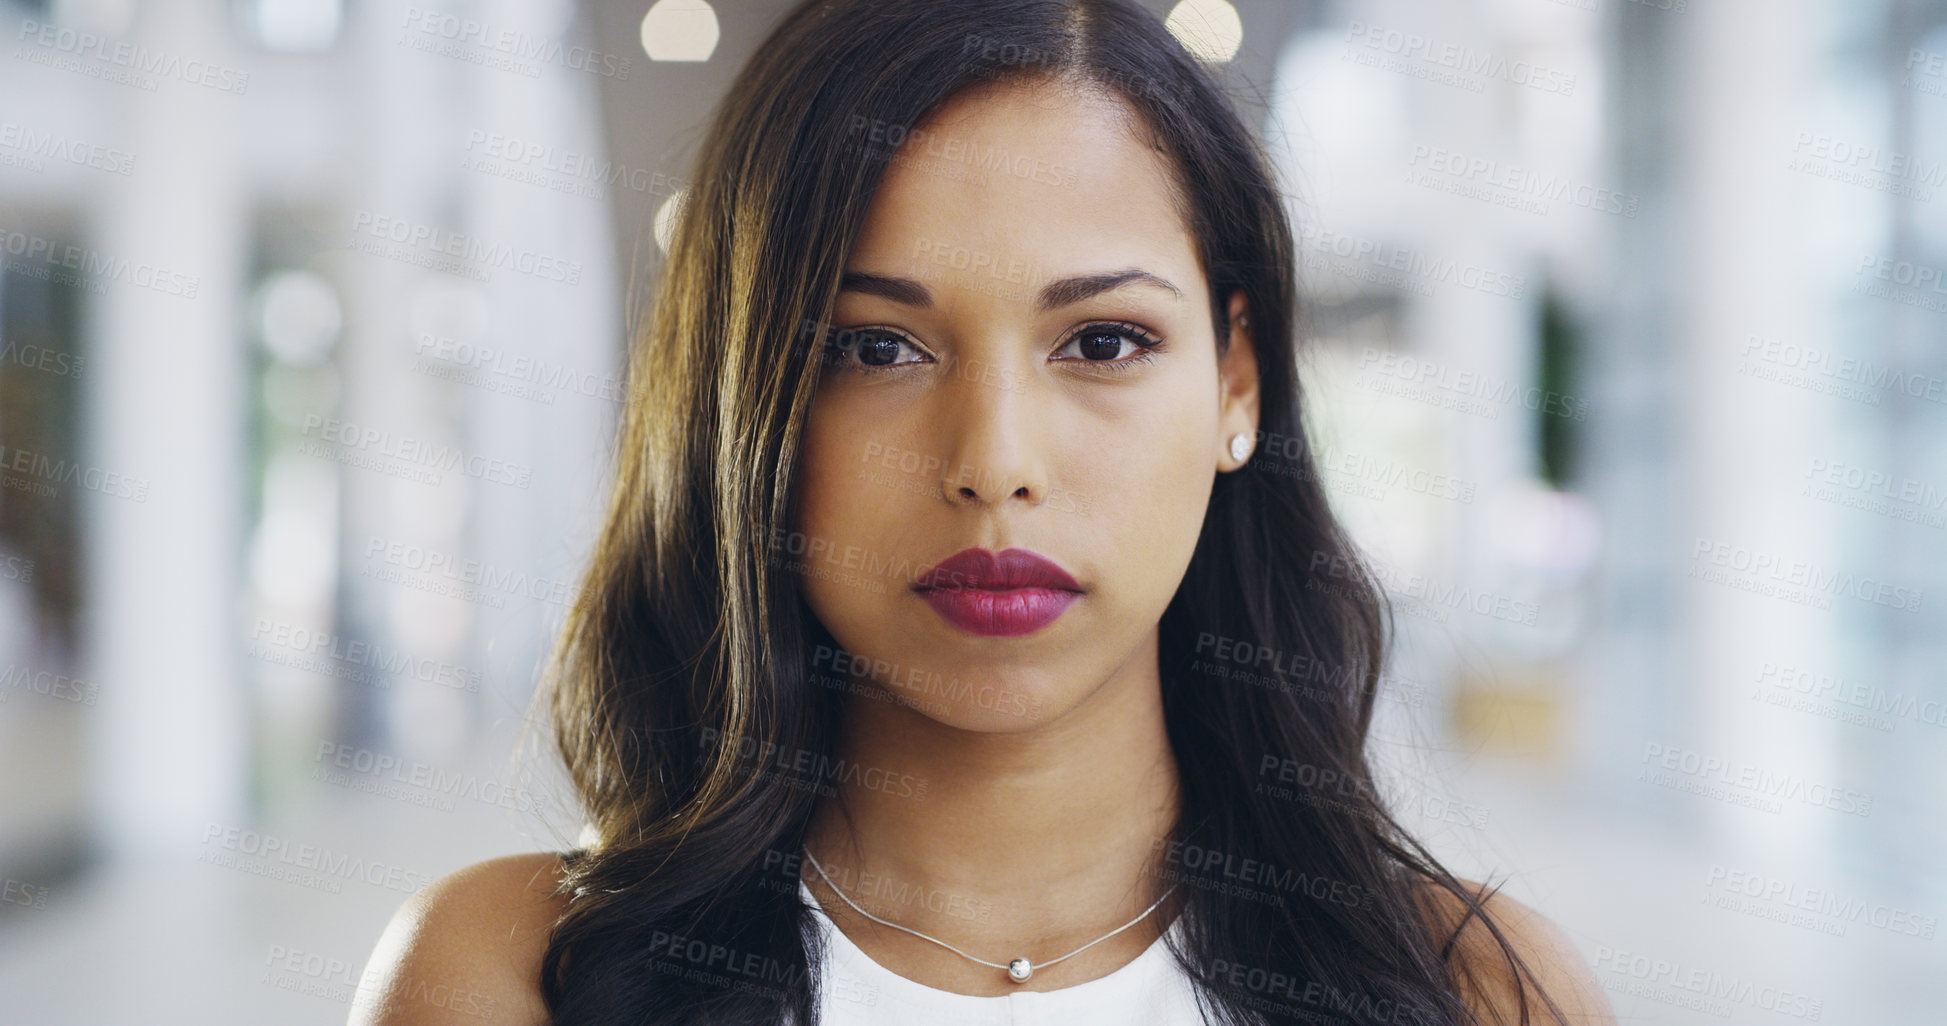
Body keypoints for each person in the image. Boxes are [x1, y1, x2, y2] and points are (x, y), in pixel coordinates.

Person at [349, 1, 1617, 1023]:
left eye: (1104, 341)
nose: (994, 463)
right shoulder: (506, 981)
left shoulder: (1481, 993)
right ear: (750, 408)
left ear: (1236, 383)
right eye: (876, 350)